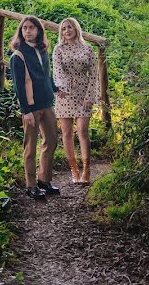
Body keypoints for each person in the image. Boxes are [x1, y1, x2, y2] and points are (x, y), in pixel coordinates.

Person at [9, 15, 60, 200]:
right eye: (24, 28)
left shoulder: (42, 50)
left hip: (47, 104)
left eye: (31, 28)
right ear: (21, 32)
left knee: (51, 141)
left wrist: (55, 89)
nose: (28, 31)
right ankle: (31, 186)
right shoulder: (18, 55)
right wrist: (26, 111)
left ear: (38, 31)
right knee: (30, 147)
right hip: (31, 107)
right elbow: (18, 86)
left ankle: (44, 181)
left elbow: (47, 74)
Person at [53, 17, 99, 185]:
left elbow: (93, 75)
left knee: (82, 131)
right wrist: (61, 89)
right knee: (66, 133)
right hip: (64, 94)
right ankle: (74, 169)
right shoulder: (58, 49)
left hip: (83, 93)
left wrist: (90, 97)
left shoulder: (87, 49)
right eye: (64, 28)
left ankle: (87, 169)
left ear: (76, 29)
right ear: (61, 32)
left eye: (70, 27)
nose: (67, 31)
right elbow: (57, 71)